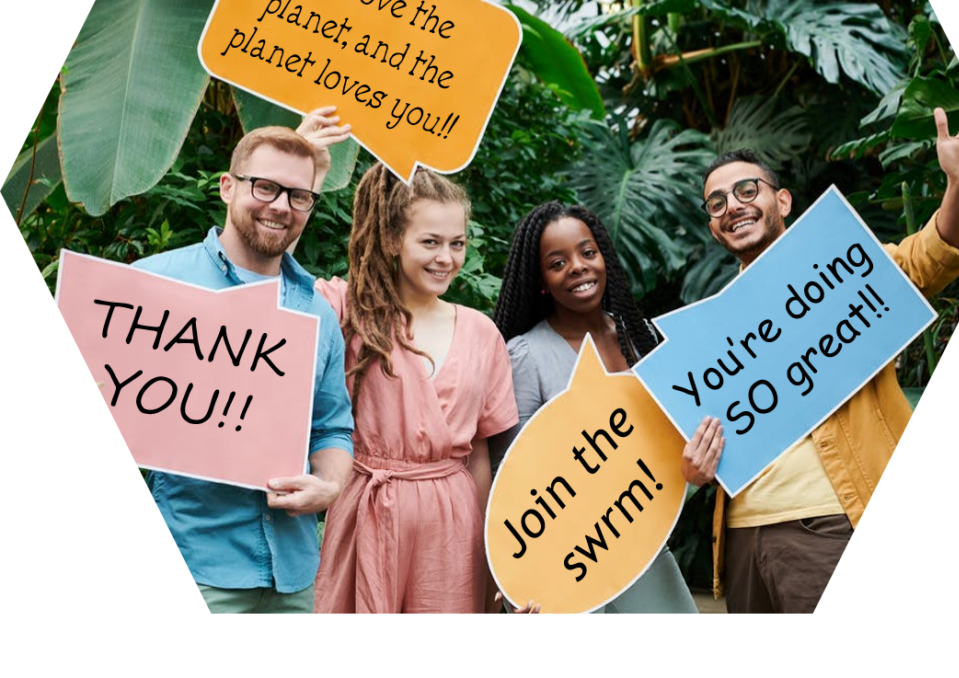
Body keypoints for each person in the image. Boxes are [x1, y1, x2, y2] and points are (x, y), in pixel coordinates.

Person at [690, 99, 959, 614]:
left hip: (831, 518)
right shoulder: (713, 328)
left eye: (747, 190)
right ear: (712, 227)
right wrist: (693, 464)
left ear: (783, 201)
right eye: (717, 202)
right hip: (743, 537)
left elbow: (926, 261)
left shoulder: (841, 274)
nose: (733, 205)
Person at [299, 111, 519, 614]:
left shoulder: (482, 332)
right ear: (394, 239)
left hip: (452, 528)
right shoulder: (348, 310)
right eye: (431, 242)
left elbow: (480, 457)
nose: (446, 257)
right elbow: (276, 298)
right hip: (367, 509)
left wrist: (493, 561)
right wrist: (306, 171)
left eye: (457, 243)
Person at [137, 126, 354, 614]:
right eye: (265, 187)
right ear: (227, 186)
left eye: (299, 196)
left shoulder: (317, 313)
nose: (281, 206)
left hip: (294, 574)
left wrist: (330, 486)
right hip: (198, 561)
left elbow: (333, 427)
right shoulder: (154, 285)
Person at [491, 200, 713, 614]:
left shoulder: (641, 340)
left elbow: (673, 449)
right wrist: (511, 576)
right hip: (562, 569)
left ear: (604, 258)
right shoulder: (526, 356)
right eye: (558, 262)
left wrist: (695, 474)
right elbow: (508, 476)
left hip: (639, 546)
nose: (577, 267)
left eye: (587, 253)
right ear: (540, 279)